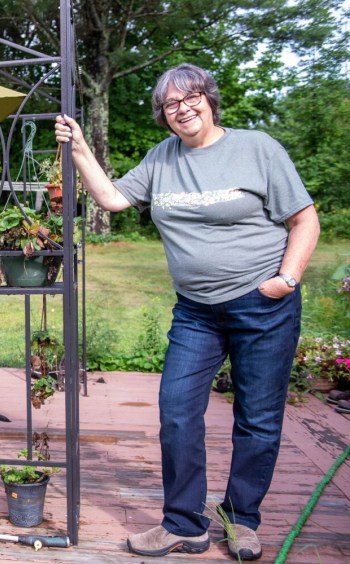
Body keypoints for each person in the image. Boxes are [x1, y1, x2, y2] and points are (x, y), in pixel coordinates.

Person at [56, 63, 320, 560]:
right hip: (196, 311)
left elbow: (304, 218)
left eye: (191, 97)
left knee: (258, 419)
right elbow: (113, 198)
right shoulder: (163, 157)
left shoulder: (256, 147)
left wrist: (286, 280)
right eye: (171, 104)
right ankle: (183, 523)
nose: (183, 109)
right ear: (164, 115)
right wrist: (80, 150)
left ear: (210, 99)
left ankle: (242, 520)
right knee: (177, 413)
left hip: (261, 306)